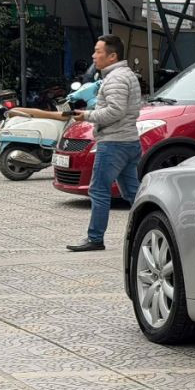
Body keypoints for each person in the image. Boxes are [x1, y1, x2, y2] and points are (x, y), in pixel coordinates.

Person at [66, 35, 142, 253]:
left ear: (112, 56)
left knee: (99, 190)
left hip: (114, 143)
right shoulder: (124, 74)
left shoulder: (116, 78)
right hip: (128, 141)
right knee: (133, 193)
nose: (93, 56)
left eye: (98, 51)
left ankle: (95, 238)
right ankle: (153, 226)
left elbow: (115, 111)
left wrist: (87, 115)